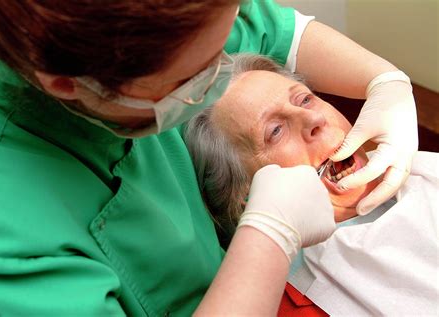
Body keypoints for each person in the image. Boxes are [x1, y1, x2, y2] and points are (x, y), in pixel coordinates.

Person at [0, 1, 417, 315]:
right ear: (68, 85)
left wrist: (385, 81)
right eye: (195, 76)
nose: (222, 74)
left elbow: (269, 29)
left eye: (304, 98)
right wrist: (269, 236)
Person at [184, 53, 438, 315]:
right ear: (246, 193)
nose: (313, 119)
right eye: (275, 131)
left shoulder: (425, 170)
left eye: (305, 99)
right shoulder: (287, 302)